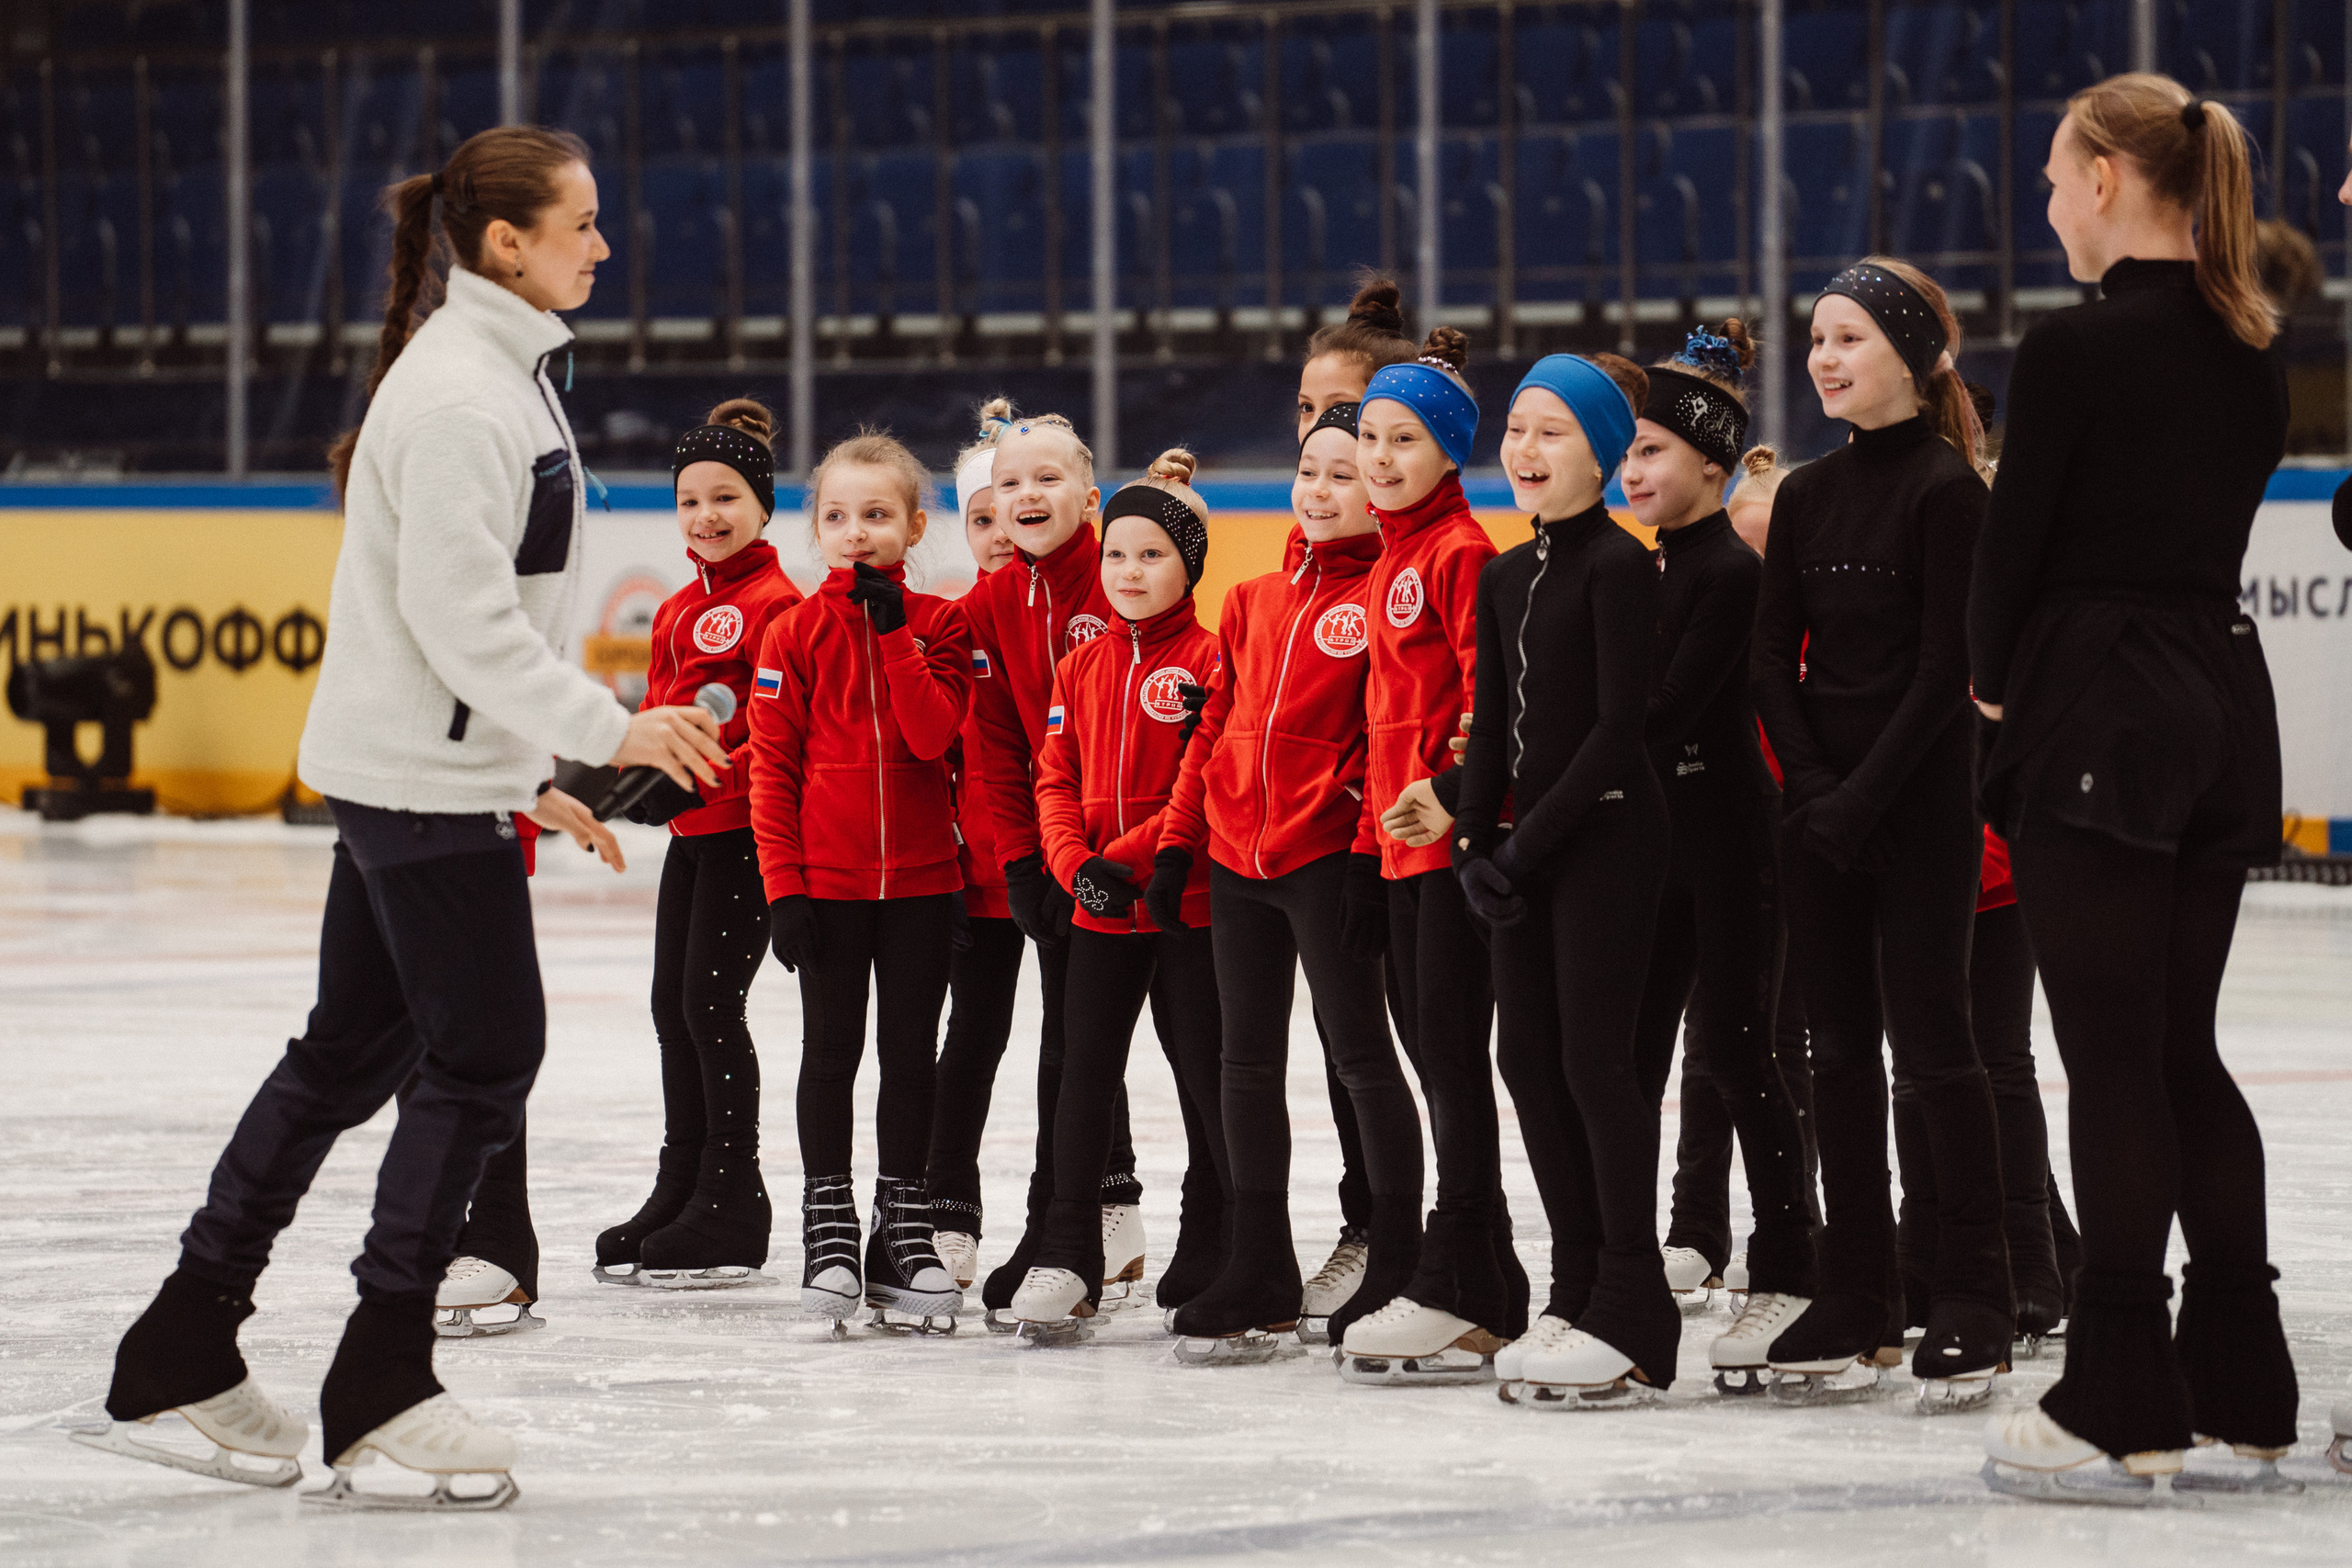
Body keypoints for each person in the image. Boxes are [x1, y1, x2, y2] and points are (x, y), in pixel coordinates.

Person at [74, 127, 729, 1511]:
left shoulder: (496, 372)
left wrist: (521, 768)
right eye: (582, 223)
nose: (602, 246)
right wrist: (609, 730)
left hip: (424, 769)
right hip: (419, 784)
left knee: (347, 1053)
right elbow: (458, 619)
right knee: (488, 1052)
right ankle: (381, 1374)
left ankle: (180, 1341)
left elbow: (461, 626)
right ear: (508, 243)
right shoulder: (458, 400)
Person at [1973, 75, 2298, 1498]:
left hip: (2103, 703)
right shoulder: (2250, 347)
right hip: (2222, 698)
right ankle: (2242, 1370)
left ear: (2109, 176)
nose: (2045, 204)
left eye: (2054, 177)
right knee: (2180, 1046)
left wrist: (1994, 682)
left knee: (2110, 1054)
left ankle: (2120, 1385)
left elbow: (2013, 549)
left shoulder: (2074, 352)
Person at [1749, 255, 2011, 1412]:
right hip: (1820, 813)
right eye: (1816, 338)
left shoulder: (1951, 491)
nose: (1823, 358)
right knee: (1835, 1055)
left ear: (1909, 356)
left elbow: (1946, 666)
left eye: (1847, 337)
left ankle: (1971, 1293)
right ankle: (1855, 1290)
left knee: (1936, 1051)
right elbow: (1770, 657)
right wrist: (1812, 787)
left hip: (1916, 805)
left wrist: (1858, 799)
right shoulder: (1805, 494)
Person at [1413, 350, 1668, 1408]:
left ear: (1604, 454)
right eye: (1517, 427)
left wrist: (1520, 846)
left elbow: (1617, 733)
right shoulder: (1504, 572)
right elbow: (1489, 738)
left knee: (1596, 1070)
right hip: (1518, 854)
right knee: (1526, 1060)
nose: (1525, 448)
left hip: (1605, 844)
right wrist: (1472, 844)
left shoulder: (1620, 565)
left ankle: (1634, 1303)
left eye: (1553, 430)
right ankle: (1573, 1291)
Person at [1150, 403, 1426, 1356]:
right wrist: (1180, 842)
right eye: (1310, 470)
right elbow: (1215, 729)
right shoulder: (1253, 600)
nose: (1319, 490)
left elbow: (1391, 740)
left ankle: (1397, 1255)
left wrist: (1359, 853)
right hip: (1235, 856)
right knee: (1244, 1064)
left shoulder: (1387, 592)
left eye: (1342, 474)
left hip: (1323, 858)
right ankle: (1260, 1262)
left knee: (1359, 1057)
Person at [1619, 324, 1821, 1396]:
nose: (1633, 470)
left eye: (1652, 451)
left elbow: (1658, 712)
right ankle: (1626, 1267)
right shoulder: (1646, 565)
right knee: (1632, 1060)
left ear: (1710, 464)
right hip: (1657, 855)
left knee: (1743, 1055)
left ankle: (1790, 1256)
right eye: (1629, 451)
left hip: (1732, 850)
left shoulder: (1727, 574)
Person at [966, 416, 1203, 1323]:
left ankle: (1190, 1225)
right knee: (1069, 1056)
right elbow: (1000, 750)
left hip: (1157, 865)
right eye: (1008, 483)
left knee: (1195, 1057)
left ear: (1089, 503)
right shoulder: (991, 603)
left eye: (1048, 480)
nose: (1026, 497)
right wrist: (1030, 861)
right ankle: (1061, 1229)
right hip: (1071, 859)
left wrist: (1128, 853)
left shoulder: (1120, 582)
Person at [747, 429, 973, 1335]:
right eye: (837, 517)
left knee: (909, 1057)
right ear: (817, 529)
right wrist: (783, 889)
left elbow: (931, 738)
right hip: (829, 889)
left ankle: (903, 1225)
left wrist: (894, 638)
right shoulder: (791, 632)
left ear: (914, 527)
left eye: (876, 515)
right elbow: (771, 769)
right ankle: (830, 1223)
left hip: (923, 886)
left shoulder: (942, 625)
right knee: (832, 1054)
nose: (856, 532)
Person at [582, 398, 805, 1289]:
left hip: (752, 833)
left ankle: (733, 1202)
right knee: (672, 1008)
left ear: (761, 505)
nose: (707, 517)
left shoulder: (778, 603)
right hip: (695, 837)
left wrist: (696, 775)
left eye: (725, 498)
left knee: (713, 1008)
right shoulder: (676, 611)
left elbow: (773, 726)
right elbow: (659, 716)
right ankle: (680, 1187)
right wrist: (636, 780)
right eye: (689, 502)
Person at [1339, 328, 1525, 1384]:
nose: (1378, 457)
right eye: (1369, 436)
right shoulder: (1394, 554)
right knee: (1436, 1065)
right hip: (1401, 859)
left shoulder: (1458, 554)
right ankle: (1486, 1282)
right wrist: (1371, 846)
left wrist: (1455, 802)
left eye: (1402, 439)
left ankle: (1459, 1280)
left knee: (1453, 1070)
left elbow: (1483, 704)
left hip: (1451, 857)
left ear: (1450, 452)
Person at [1286, 276, 1422, 1315]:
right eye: (1306, 413)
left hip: (1383, 842)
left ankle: (1403, 1233)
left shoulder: (1412, 556)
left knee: (1388, 1048)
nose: (1325, 437)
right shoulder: (1299, 549)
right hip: (1299, 844)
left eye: (1344, 413)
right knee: (1340, 1048)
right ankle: (1367, 1222)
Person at [925, 397, 1025, 1291]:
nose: (997, 531)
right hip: (980, 874)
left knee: (1084, 1040)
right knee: (972, 1039)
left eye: (1008, 511)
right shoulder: (958, 622)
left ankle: (1109, 1204)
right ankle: (945, 1212)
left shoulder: (1083, 611)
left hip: (1068, 865)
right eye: (978, 517)